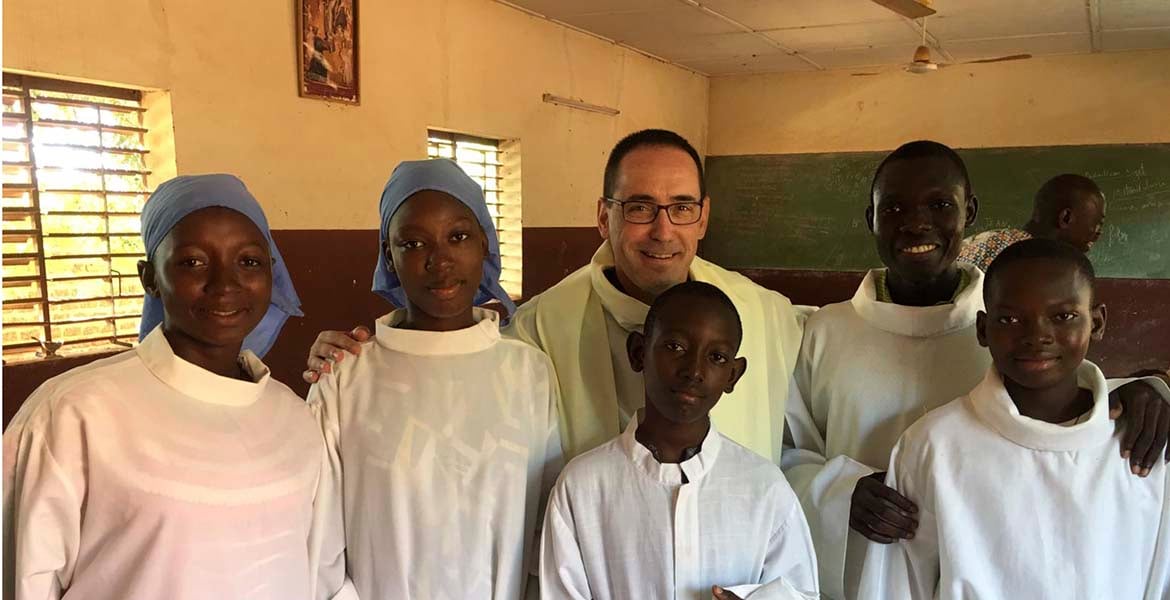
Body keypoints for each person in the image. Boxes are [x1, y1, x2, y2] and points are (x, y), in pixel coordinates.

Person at [783, 142, 1168, 600]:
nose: (917, 223)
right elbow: (784, 450)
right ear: (872, 219)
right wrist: (840, 492)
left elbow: (1064, 405)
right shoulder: (824, 331)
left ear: (970, 212)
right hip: (863, 568)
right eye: (895, 208)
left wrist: (1150, 391)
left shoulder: (1013, 320)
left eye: (940, 205)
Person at [302, 129, 807, 466]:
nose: (662, 230)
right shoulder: (538, 329)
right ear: (604, 217)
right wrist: (359, 354)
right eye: (639, 207)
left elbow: (806, 439)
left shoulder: (766, 315)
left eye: (681, 207)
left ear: (703, 216)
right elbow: (447, 378)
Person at [2, 174, 348, 600]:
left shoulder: (294, 419)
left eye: (249, 262)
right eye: (192, 262)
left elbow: (321, 574)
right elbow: (24, 578)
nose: (225, 284)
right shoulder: (74, 413)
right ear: (149, 277)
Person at [858, 238, 1170, 599]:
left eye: (1063, 316)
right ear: (982, 329)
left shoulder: (1143, 441)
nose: (1037, 336)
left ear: (1096, 323)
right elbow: (899, 584)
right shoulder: (933, 444)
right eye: (1010, 319)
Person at [308, 159, 562, 599]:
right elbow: (320, 542)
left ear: (485, 242)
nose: (440, 261)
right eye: (413, 243)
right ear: (389, 256)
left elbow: (547, 524)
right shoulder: (345, 378)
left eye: (458, 236)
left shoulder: (528, 373)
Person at [540, 281, 819, 600]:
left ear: (733, 375)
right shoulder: (583, 486)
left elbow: (799, 591)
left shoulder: (764, 488)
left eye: (716, 357)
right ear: (638, 353)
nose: (694, 371)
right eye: (675, 347)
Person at [958, 173, 1106, 271]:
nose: (1099, 232)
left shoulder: (1002, 243)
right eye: (1098, 222)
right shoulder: (1026, 260)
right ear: (1066, 218)